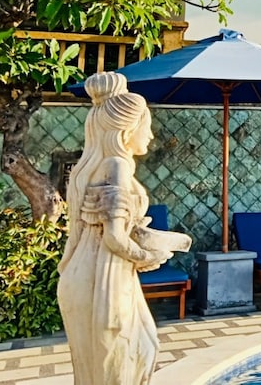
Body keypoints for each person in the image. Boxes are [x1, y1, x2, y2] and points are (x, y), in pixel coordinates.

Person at [58, 71, 186, 385]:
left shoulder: (88, 168)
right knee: (132, 358)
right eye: (146, 126)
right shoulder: (116, 165)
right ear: (127, 130)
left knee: (101, 370)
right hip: (105, 276)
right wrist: (147, 256)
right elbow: (114, 238)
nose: (151, 135)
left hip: (84, 271)